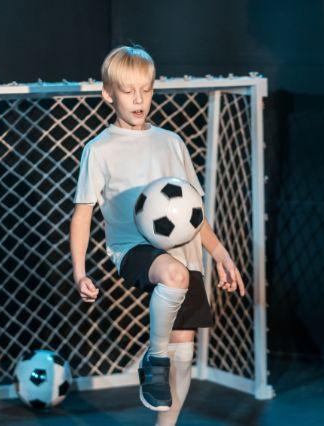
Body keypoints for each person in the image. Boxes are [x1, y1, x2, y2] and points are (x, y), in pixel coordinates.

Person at [69, 45, 245, 426]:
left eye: (145, 90)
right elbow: (83, 214)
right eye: (128, 90)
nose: (137, 99)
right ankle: (154, 356)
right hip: (134, 249)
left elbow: (192, 214)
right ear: (107, 93)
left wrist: (221, 254)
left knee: (185, 355)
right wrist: (79, 270)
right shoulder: (99, 150)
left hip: (183, 252)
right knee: (173, 279)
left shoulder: (171, 143)